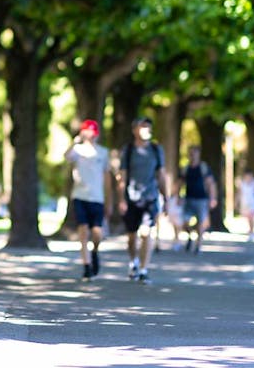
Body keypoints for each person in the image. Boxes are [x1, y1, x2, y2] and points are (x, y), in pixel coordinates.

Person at [117, 116, 169, 284]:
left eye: (148, 127)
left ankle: (144, 269)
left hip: (150, 197)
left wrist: (166, 197)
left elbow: (161, 174)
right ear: (134, 130)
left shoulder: (156, 149)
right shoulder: (129, 150)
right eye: (142, 127)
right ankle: (134, 261)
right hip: (132, 197)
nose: (146, 130)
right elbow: (122, 176)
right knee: (132, 236)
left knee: (147, 232)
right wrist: (121, 199)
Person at [64, 119, 112, 281]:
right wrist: (75, 140)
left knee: (97, 232)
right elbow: (66, 156)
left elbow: (107, 177)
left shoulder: (103, 152)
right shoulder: (77, 150)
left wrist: (109, 199)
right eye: (87, 131)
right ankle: (86, 266)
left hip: (97, 197)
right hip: (79, 195)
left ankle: (95, 252)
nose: (90, 135)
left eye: (92, 131)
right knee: (83, 231)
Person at [178, 146, 217, 254]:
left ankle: (198, 246)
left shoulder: (203, 168)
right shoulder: (186, 168)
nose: (192, 155)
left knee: (201, 223)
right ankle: (190, 235)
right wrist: (177, 196)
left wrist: (212, 198)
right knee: (184, 222)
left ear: (198, 154)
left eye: (194, 153)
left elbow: (210, 184)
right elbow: (180, 183)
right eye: (190, 153)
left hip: (202, 199)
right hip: (188, 198)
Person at [237, 169, 254, 240]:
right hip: (244, 203)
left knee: (251, 217)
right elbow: (239, 193)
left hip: (253, 203)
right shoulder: (242, 184)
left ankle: (252, 231)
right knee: (248, 218)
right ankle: (250, 230)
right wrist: (236, 202)